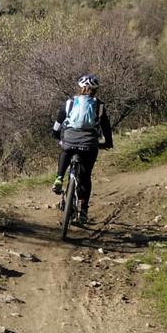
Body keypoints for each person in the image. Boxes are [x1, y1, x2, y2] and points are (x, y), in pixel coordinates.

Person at [51, 74, 113, 224]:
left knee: (65, 150)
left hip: (70, 139)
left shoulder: (70, 102)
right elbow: (106, 127)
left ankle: (59, 177)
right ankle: (83, 211)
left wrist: (56, 135)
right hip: (89, 144)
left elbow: (59, 121)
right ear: (95, 90)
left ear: (80, 88)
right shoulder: (99, 105)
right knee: (86, 177)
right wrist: (108, 142)